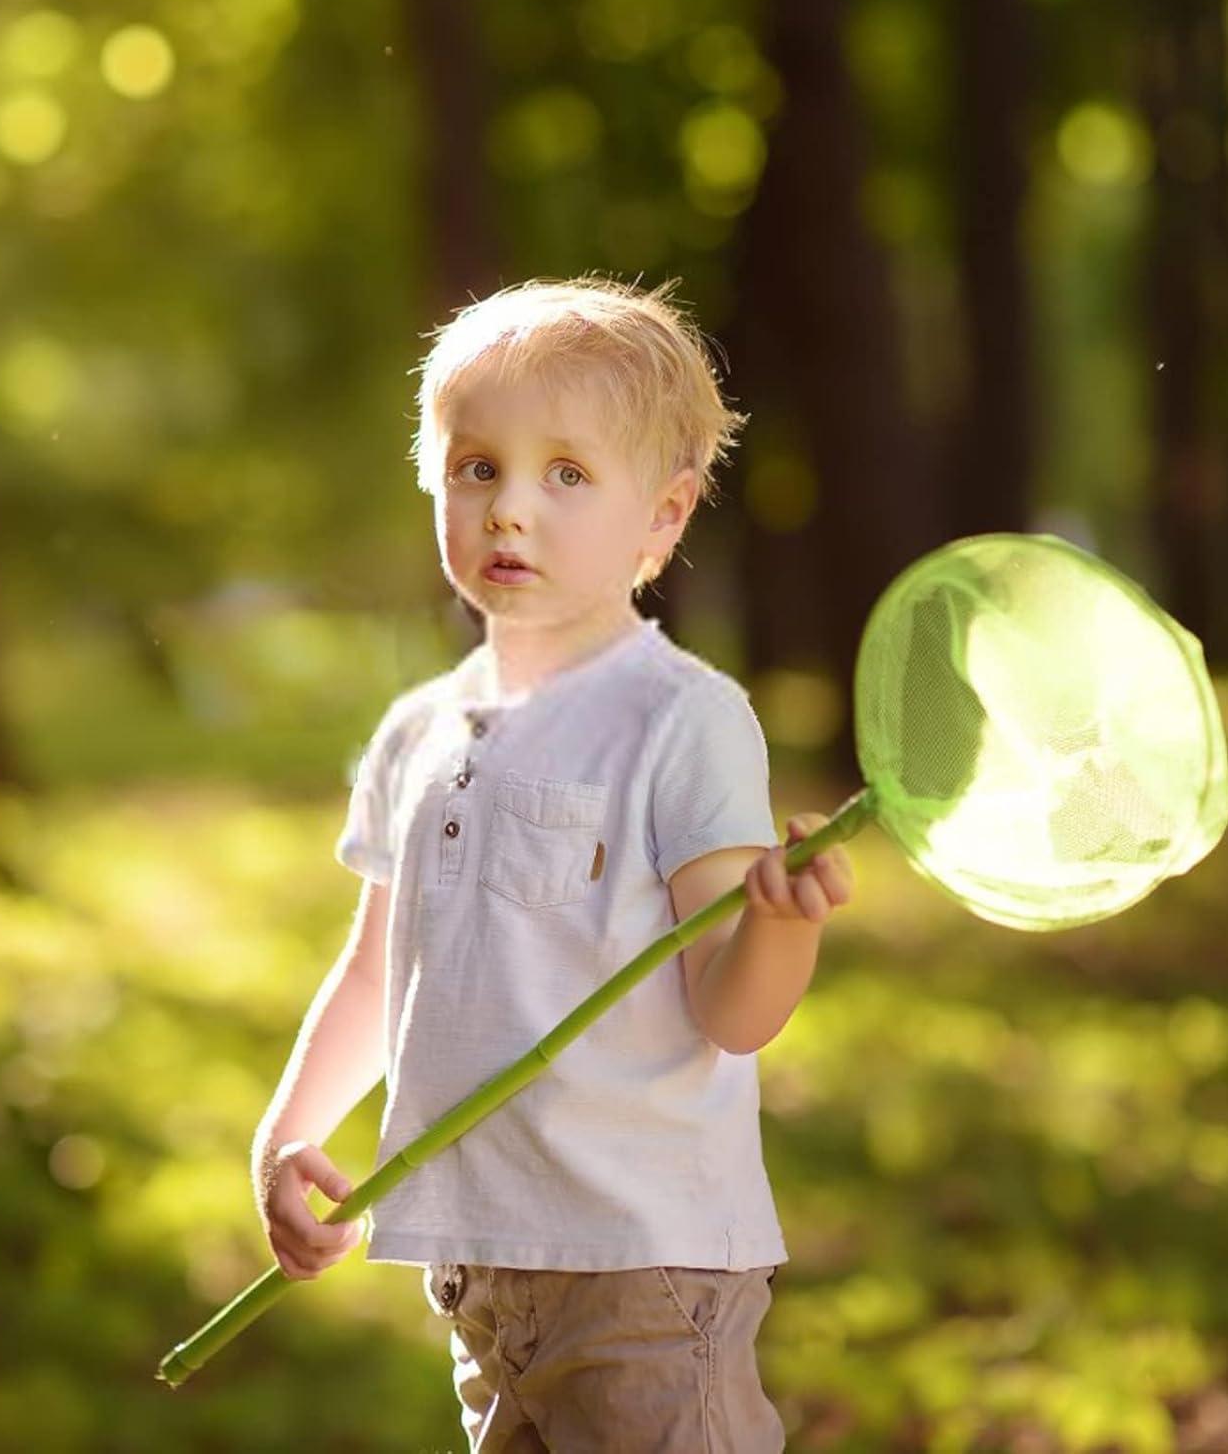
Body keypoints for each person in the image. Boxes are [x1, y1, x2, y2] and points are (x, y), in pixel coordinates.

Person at [252, 275, 854, 1452]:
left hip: (641, 1272)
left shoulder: (682, 720)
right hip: (485, 1272)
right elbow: (379, 978)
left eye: (566, 474)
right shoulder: (419, 734)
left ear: (664, 518)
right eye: (478, 467)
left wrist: (781, 928)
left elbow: (729, 1009)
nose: (509, 509)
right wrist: (284, 1140)